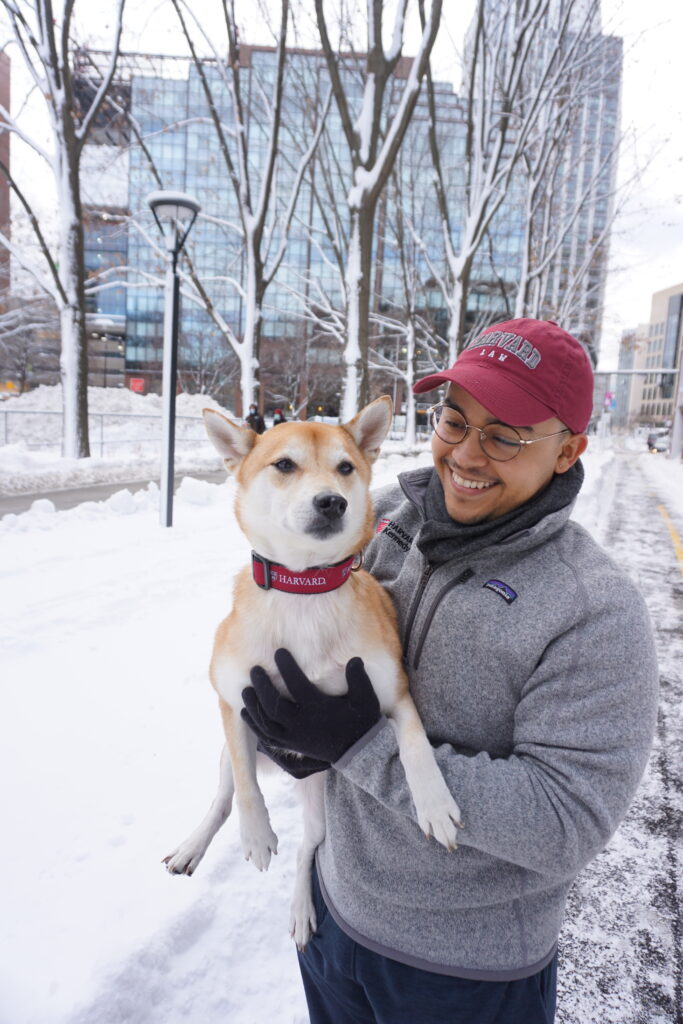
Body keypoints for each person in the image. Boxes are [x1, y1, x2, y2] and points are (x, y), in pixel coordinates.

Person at [242, 318, 658, 1024]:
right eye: (452, 420)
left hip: (462, 977)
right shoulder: (381, 520)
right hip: (331, 918)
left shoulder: (593, 610)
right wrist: (285, 723)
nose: (465, 453)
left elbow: (564, 822)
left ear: (568, 451)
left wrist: (358, 747)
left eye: (504, 435)